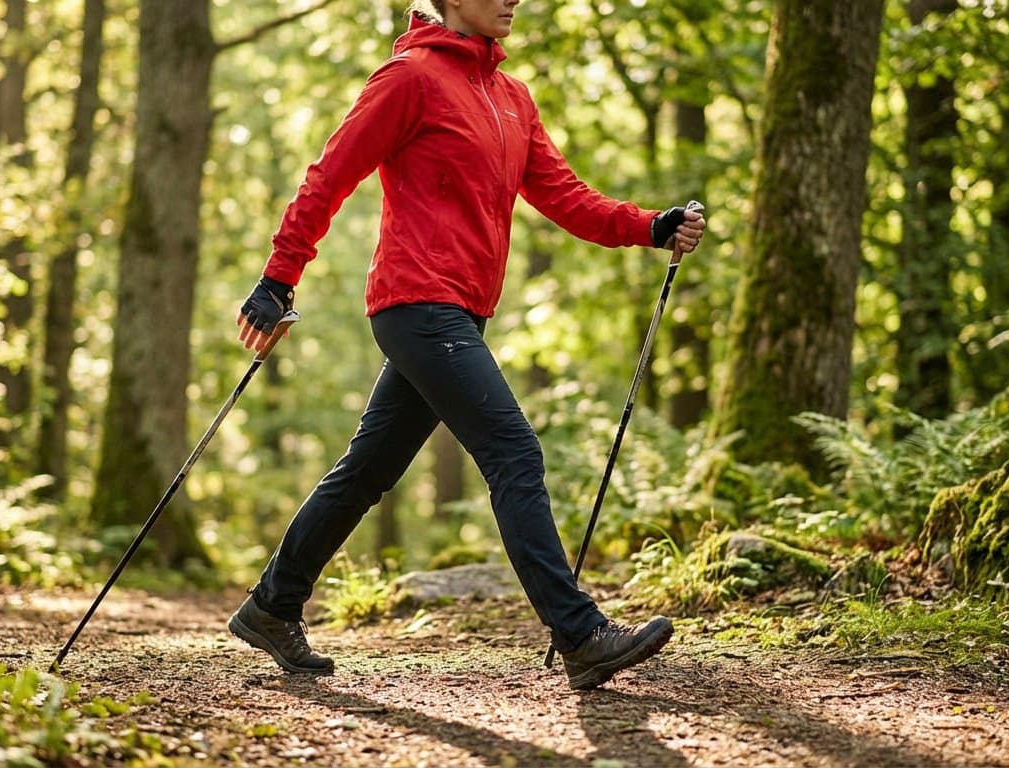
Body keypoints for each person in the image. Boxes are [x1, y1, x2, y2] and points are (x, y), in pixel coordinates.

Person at [227, 0, 706, 691]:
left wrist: (648, 226)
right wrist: (279, 276)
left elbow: (565, 195)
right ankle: (580, 633)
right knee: (514, 451)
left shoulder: (511, 97)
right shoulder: (408, 78)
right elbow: (329, 174)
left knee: (367, 469)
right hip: (416, 303)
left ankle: (272, 605)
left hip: (460, 313)